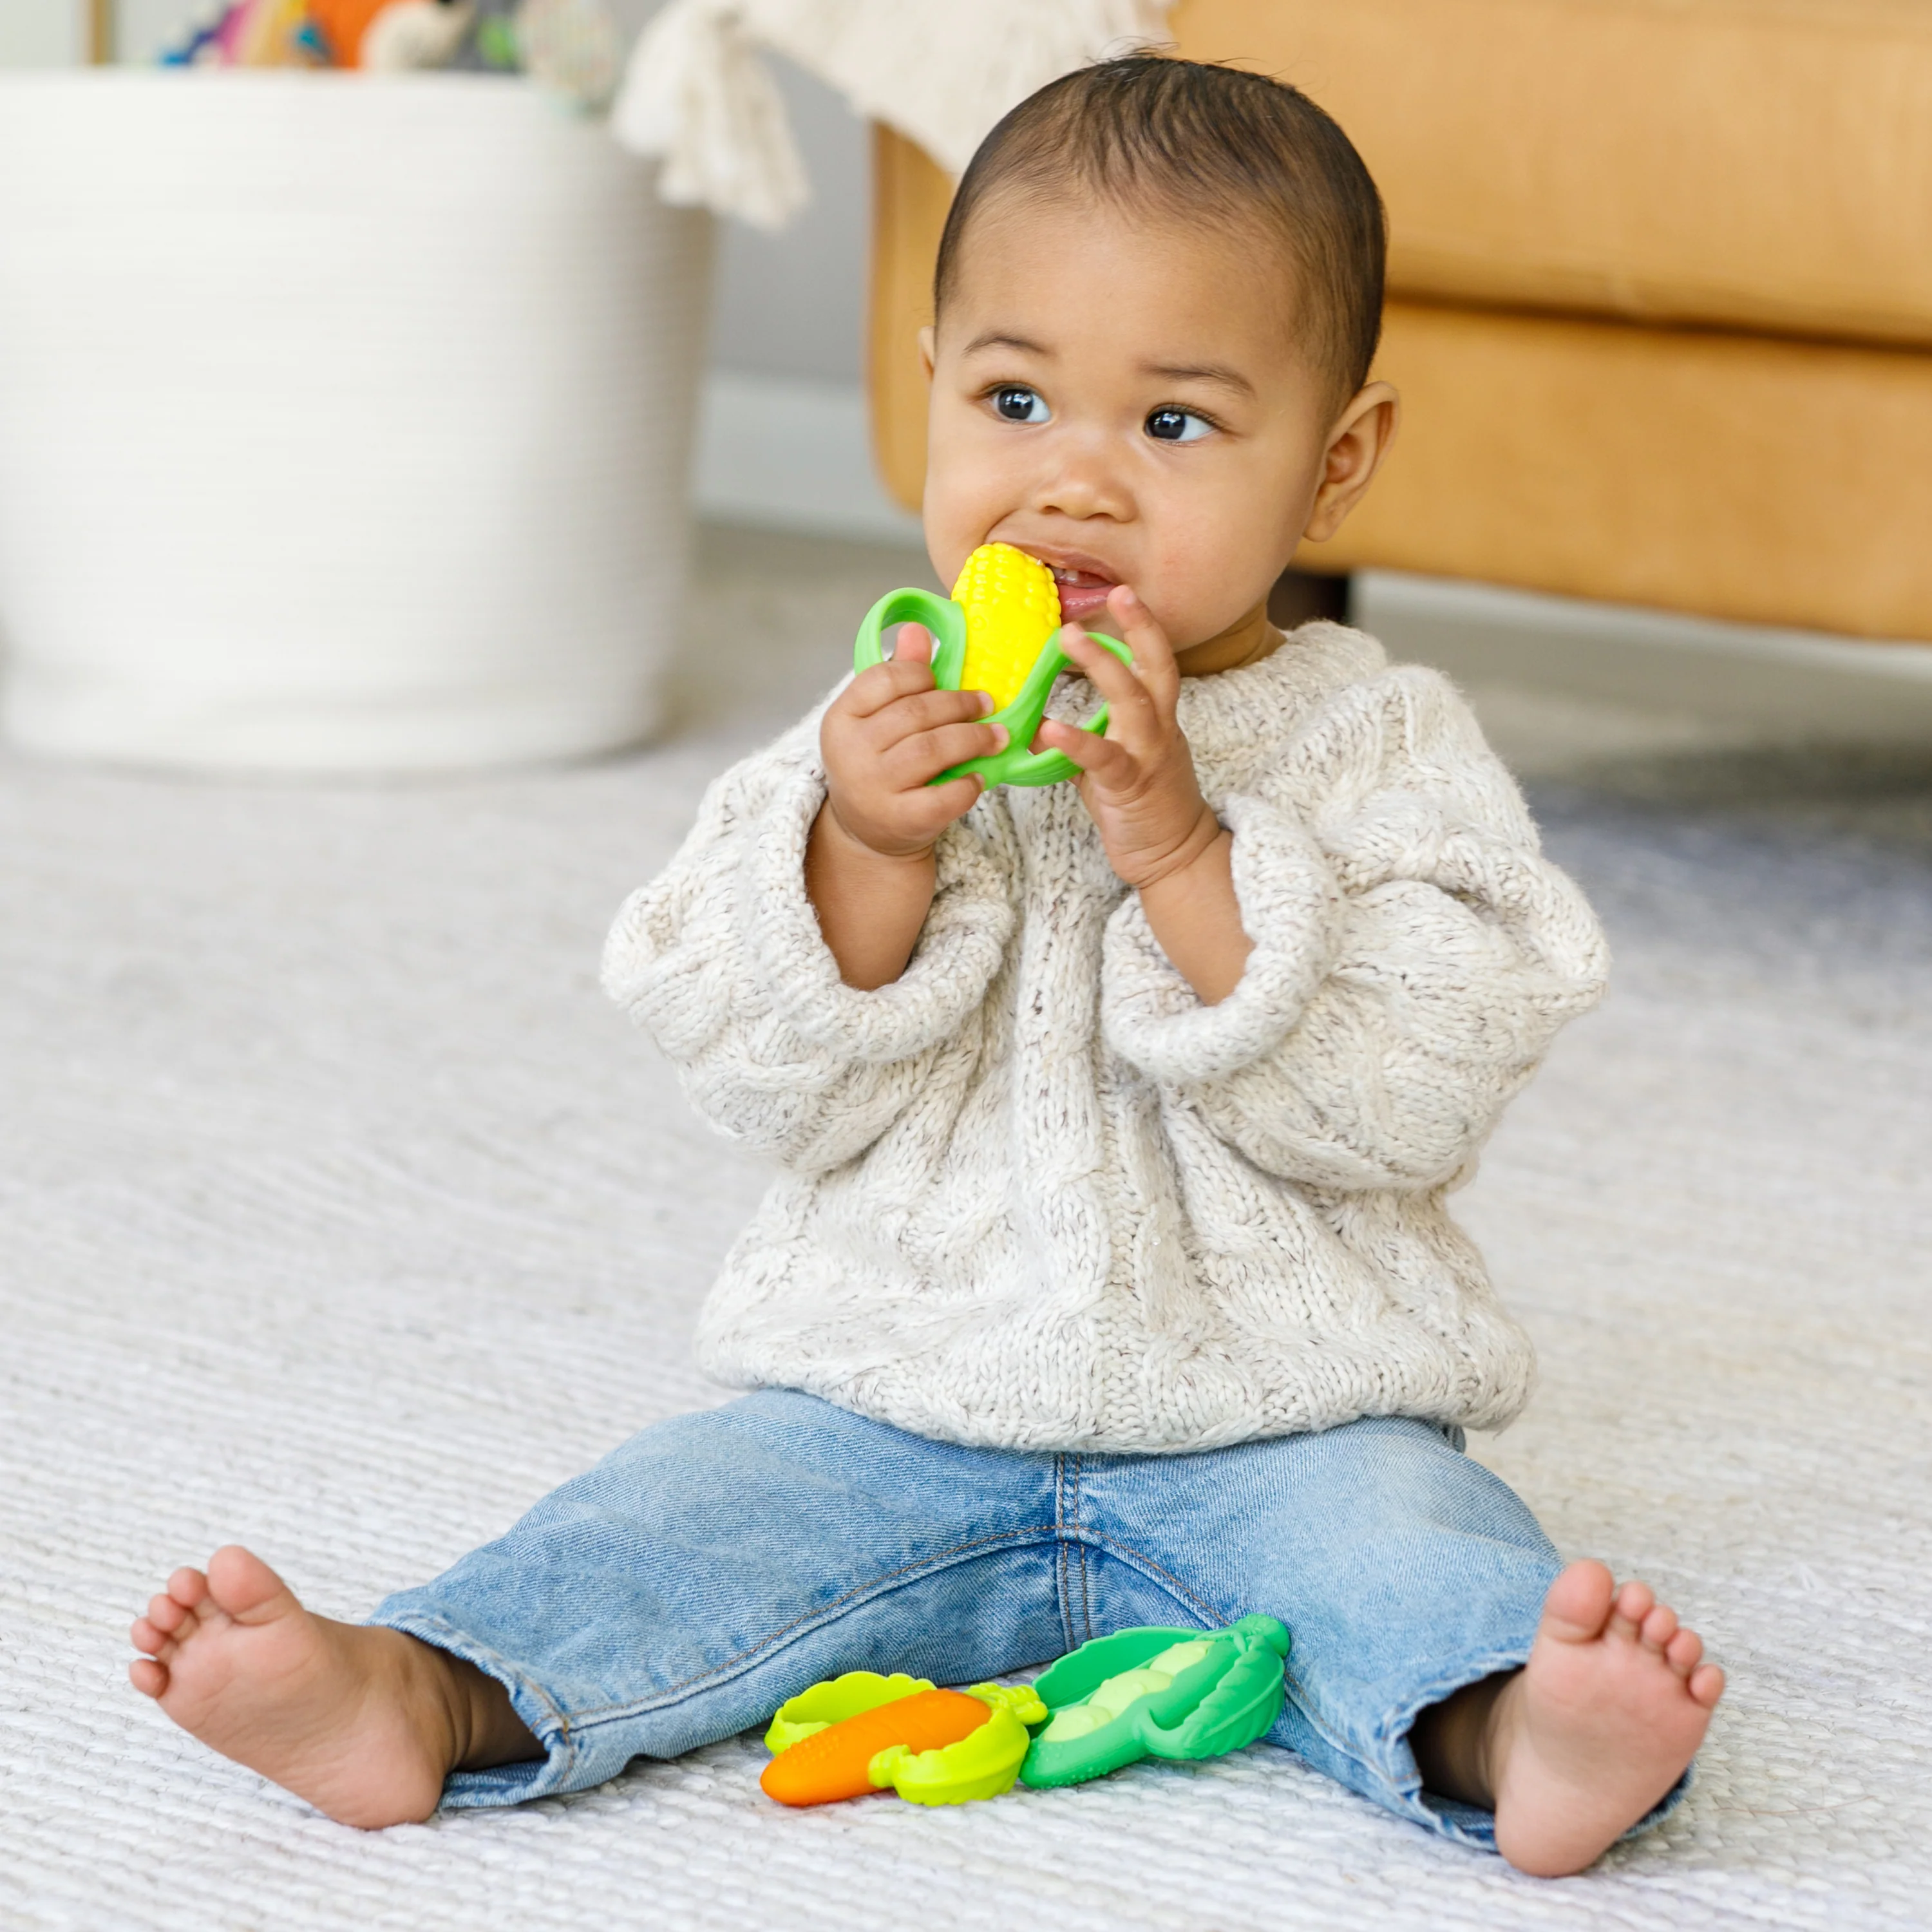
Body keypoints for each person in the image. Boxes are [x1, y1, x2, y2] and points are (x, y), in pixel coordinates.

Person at [128, 55, 1722, 1877]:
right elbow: (748, 1059)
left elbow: (1415, 1089)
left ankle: (1520, 1725)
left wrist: (1190, 856)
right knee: (671, 1524)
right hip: (894, 1403)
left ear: (1334, 464)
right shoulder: (878, 729)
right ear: (932, 394)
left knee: (1417, 1549)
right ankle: (427, 1688)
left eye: (1178, 426)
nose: (1077, 486)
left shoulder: (1385, 751)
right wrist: (861, 845)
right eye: (1018, 396)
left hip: (1278, 1417)